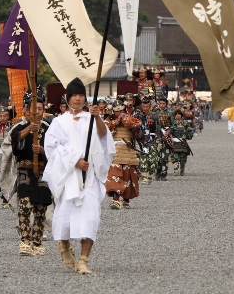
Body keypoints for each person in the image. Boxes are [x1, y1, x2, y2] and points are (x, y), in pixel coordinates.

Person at [43, 78, 115, 275]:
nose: (77, 99)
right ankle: (64, 244)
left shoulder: (91, 117)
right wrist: (74, 160)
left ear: (85, 98)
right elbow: (52, 148)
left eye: (81, 95)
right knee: (65, 218)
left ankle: (83, 260)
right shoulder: (58, 122)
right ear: (67, 98)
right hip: (69, 176)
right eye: (74, 95)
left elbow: (104, 139)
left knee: (90, 217)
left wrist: (97, 117)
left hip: (89, 176)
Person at [10, 87, 52, 257]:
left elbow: (56, 150)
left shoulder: (50, 128)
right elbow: (14, 146)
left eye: (40, 110)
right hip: (24, 169)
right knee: (24, 205)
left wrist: (42, 150)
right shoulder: (19, 127)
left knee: (41, 206)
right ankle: (24, 241)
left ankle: (37, 242)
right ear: (26, 110)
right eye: (33, 109)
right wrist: (28, 130)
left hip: (43, 170)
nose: (37, 113)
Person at [105, 100, 142, 209]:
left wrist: (133, 126)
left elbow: (139, 133)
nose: (118, 113)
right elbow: (103, 131)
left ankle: (126, 199)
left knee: (128, 175)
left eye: (120, 110)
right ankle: (115, 199)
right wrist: (115, 123)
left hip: (128, 150)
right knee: (114, 175)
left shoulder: (131, 118)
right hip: (114, 151)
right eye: (116, 111)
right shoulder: (108, 120)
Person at [155, 96, 176, 181]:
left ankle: (164, 173)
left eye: (163, 103)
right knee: (157, 156)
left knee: (165, 156)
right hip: (158, 135)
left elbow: (174, 124)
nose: (162, 105)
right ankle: (158, 171)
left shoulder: (170, 113)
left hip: (166, 135)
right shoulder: (154, 112)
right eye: (160, 103)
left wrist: (169, 131)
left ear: (166, 104)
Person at [170, 110, 194, 176]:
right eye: (176, 114)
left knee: (183, 158)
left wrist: (186, 135)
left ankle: (182, 168)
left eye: (179, 114)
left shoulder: (185, 123)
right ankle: (176, 171)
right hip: (174, 143)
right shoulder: (171, 123)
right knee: (175, 158)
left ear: (181, 115)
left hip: (182, 143)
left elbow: (191, 131)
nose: (178, 115)